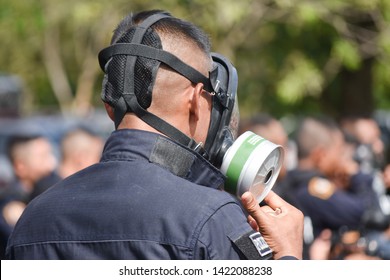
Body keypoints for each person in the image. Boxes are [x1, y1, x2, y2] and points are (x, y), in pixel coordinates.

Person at [6, 9, 303, 260]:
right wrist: (289, 255)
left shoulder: (34, 218)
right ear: (196, 99)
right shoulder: (211, 217)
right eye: (212, 98)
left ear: (110, 107)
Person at [284, 116, 383, 259]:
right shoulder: (314, 188)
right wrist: (357, 176)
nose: (343, 159)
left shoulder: (292, 182)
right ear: (321, 155)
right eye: (339, 151)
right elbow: (364, 212)